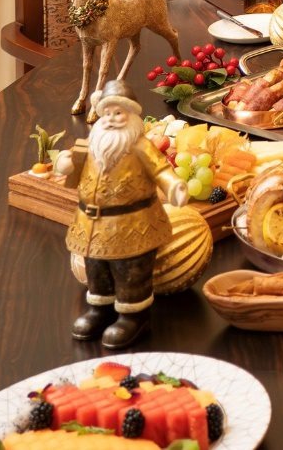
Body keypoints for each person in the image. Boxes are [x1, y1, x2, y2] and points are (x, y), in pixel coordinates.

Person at [56, 80, 188, 347]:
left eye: (119, 113)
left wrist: (175, 186)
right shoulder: (90, 144)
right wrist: (64, 162)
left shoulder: (140, 147)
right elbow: (68, 164)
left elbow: (160, 170)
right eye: (107, 113)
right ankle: (100, 309)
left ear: (132, 116)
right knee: (97, 269)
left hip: (132, 223)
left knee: (131, 271)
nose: (112, 119)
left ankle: (133, 315)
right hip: (93, 224)